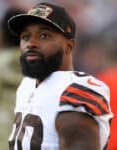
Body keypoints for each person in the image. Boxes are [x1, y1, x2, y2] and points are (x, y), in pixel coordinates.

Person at [7, 2, 113, 150]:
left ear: (69, 46)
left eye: (44, 35)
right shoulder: (26, 85)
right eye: (25, 36)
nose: (31, 43)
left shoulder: (76, 90)